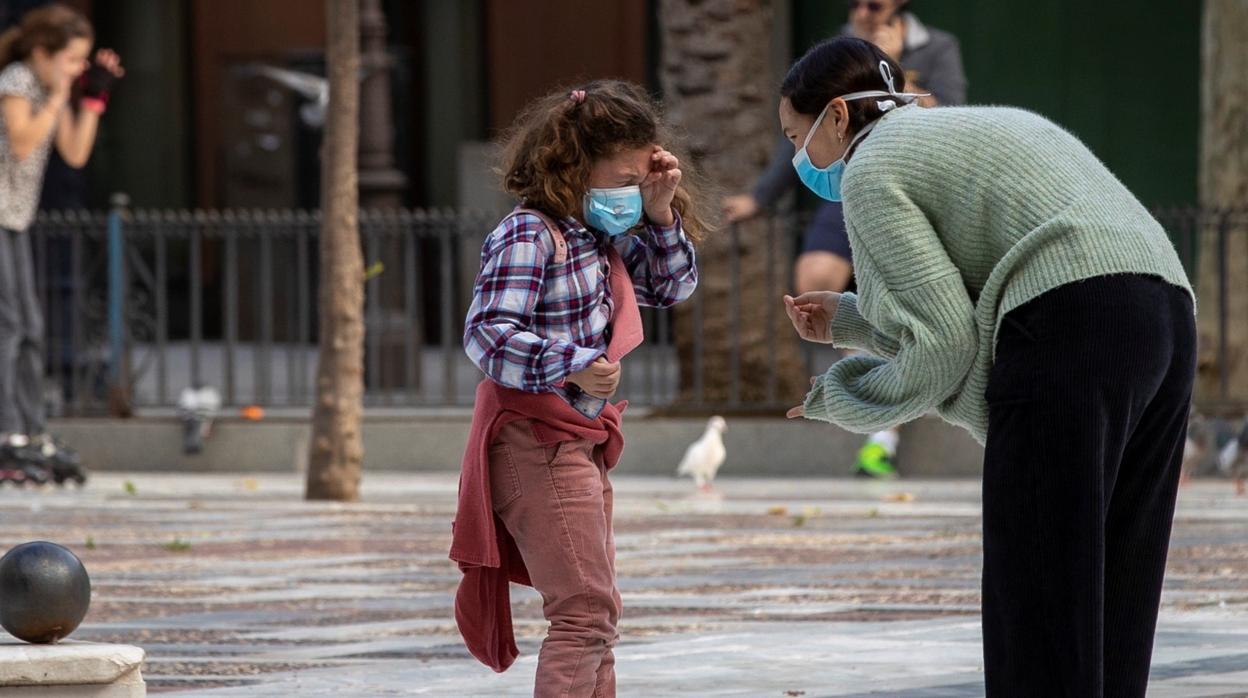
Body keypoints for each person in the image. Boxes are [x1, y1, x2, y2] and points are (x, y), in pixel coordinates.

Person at [779, 37, 1194, 696]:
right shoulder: (963, 129)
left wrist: (839, 396)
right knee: (1117, 581)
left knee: (1040, 591)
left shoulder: (871, 165)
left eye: (795, 136)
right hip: (1166, 311)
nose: (799, 158)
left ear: (836, 116)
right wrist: (848, 322)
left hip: (1070, 320)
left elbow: (944, 346)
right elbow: (957, 306)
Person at [450, 80, 703, 697]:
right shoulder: (530, 234)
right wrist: (572, 364)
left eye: (638, 181)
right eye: (623, 180)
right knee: (585, 613)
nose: (628, 194)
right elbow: (487, 334)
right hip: (536, 438)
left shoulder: (598, 240)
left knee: (597, 613)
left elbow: (671, 286)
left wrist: (660, 211)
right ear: (575, 164)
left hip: (577, 439)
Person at [725, 0, 966, 479]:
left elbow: (951, 116)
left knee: (907, 302)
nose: (863, 10)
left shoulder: (935, 46)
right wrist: (761, 196)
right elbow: (802, 130)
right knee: (815, 277)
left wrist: (890, 73)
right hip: (847, 178)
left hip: (903, 174)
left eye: (873, 3)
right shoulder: (836, 49)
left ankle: (883, 429)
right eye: (855, 3)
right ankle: (883, 394)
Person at [0, 3, 122, 483]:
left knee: (30, 325)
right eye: (70, 59)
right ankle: (7, 431)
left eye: (80, 61)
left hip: (15, 217)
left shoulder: (52, 89)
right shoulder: (15, 81)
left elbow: (74, 152)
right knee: (9, 325)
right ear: (42, 52)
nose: (75, 68)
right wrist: (55, 96)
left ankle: (31, 429)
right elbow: (23, 141)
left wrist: (92, 99)